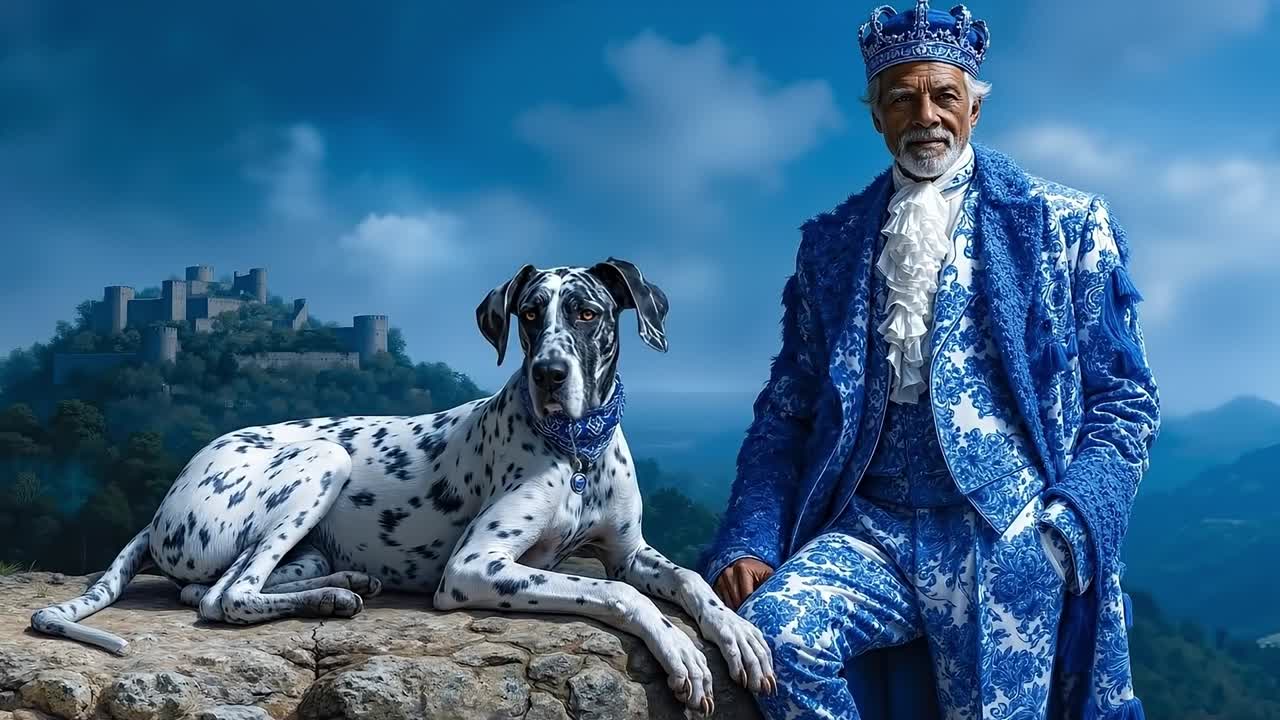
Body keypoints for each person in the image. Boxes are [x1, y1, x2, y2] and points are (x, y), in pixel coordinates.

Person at [698, 2, 1161, 718]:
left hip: (1007, 536)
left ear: (975, 107)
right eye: (902, 97)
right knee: (776, 637)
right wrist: (750, 536)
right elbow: (786, 413)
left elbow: (1125, 402)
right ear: (876, 115)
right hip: (867, 527)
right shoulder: (831, 243)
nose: (926, 115)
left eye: (945, 95)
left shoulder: (1063, 223)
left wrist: (1067, 530)